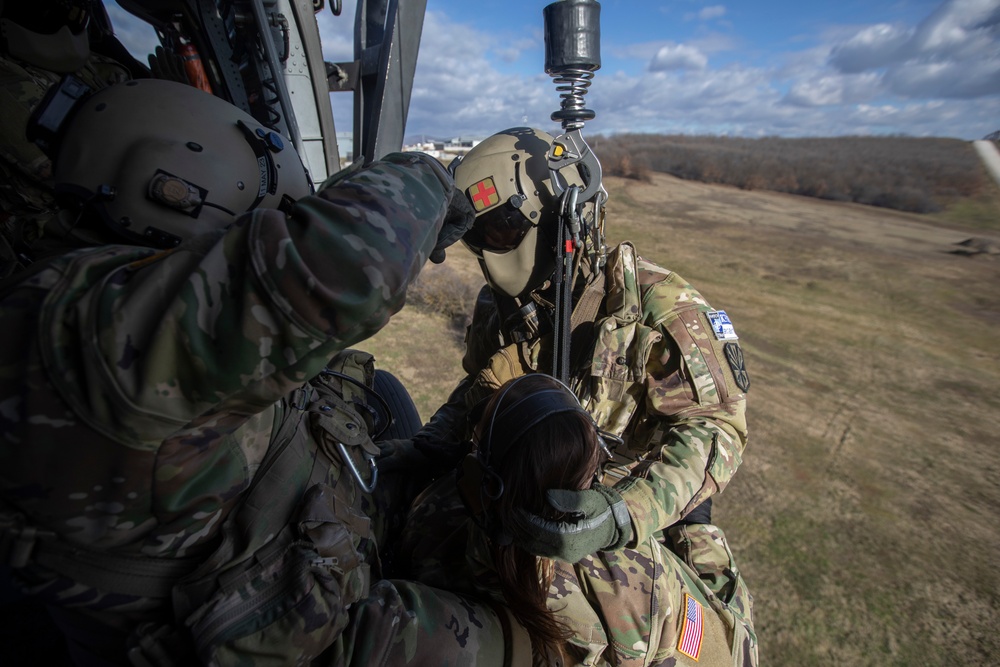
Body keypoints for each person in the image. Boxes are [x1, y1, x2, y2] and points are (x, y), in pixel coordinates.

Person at [0, 52, 499, 667]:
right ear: (173, 195)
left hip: (271, 533)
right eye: (254, 228)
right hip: (256, 618)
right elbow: (341, 272)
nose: (252, 245)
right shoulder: (82, 333)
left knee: (390, 405)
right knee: (502, 633)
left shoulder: (98, 282)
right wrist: (429, 177)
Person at [382, 126, 752, 568]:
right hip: (515, 493)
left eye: (501, 229)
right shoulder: (501, 308)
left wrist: (623, 512)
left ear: (559, 217)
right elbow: (479, 393)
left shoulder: (657, 308)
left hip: (620, 517)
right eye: (476, 235)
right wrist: (429, 446)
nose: (489, 255)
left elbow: (717, 428)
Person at [398, 374, 757, 666]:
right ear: (591, 478)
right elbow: (728, 649)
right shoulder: (632, 575)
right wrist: (697, 532)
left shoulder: (430, 519)